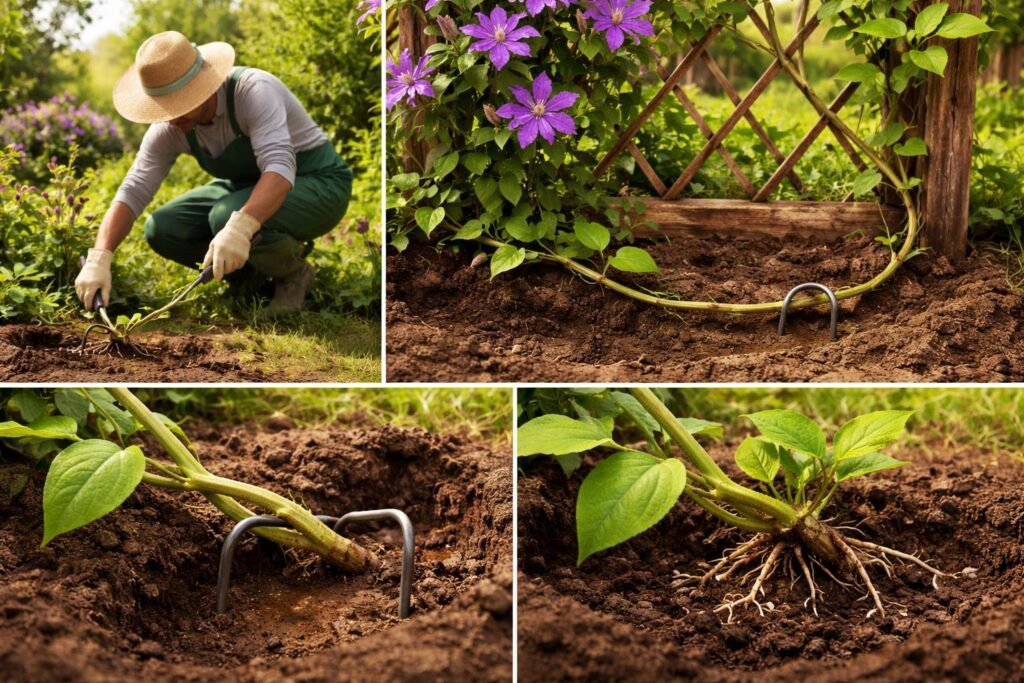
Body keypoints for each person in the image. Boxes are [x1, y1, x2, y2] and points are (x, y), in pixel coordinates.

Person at [75, 30, 352, 315]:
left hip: (319, 184)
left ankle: (294, 274)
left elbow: (279, 169)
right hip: (247, 187)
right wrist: (100, 256)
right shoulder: (172, 126)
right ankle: (248, 278)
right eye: (164, 108)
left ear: (201, 87)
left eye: (178, 104)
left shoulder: (252, 91)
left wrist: (239, 227)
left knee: (225, 216)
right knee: (163, 228)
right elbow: (134, 188)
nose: (170, 117)